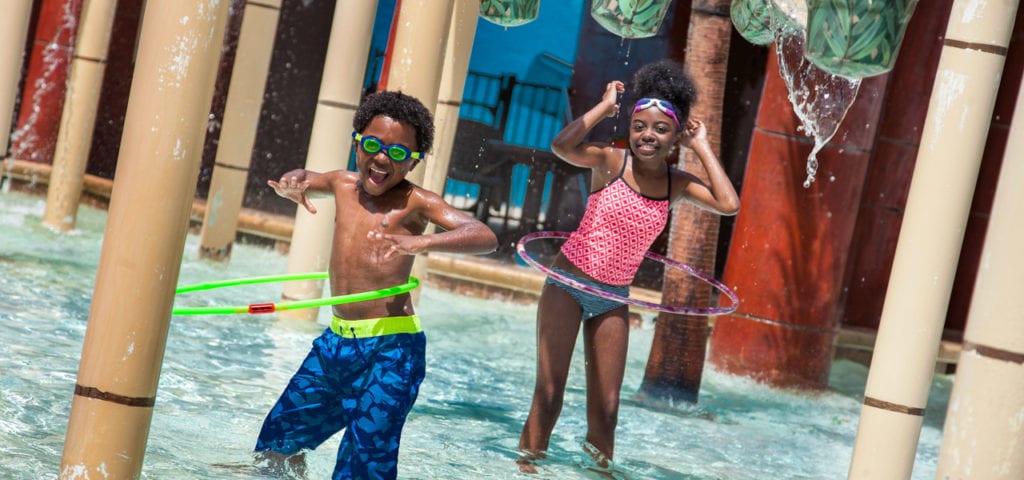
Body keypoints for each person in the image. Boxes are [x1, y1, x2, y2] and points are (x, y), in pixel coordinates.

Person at [255, 90, 498, 479]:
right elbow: (306, 178)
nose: (382, 158)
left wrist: (424, 240)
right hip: (335, 345)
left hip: (391, 351)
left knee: (364, 468)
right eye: (373, 145)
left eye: (399, 153)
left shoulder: (417, 202)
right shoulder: (341, 183)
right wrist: (293, 181)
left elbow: (483, 234)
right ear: (357, 142)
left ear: (414, 160)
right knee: (275, 446)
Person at [517, 60, 740, 469]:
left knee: (608, 408)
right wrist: (604, 107)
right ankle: (526, 469)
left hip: (613, 297)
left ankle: (598, 474)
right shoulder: (610, 162)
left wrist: (702, 146)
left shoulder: (678, 184)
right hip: (567, 284)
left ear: (675, 137)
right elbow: (562, 147)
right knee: (549, 394)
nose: (647, 136)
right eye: (639, 126)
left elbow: (729, 205)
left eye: (660, 129)